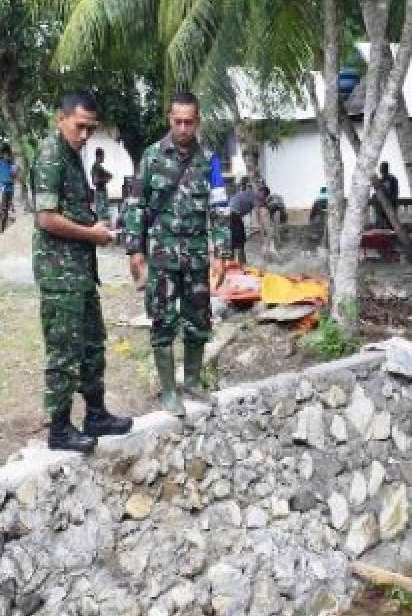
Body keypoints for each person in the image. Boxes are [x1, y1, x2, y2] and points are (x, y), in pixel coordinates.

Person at [32, 91, 133, 452]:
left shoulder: (74, 157)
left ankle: (96, 414)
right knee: (64, 351)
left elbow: (70, 212)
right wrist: (90, 233)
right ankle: (59, 428)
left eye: (91, 129)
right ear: (61, 119)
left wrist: (95, 224)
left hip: (80, 273)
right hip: (60, 276)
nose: (86, 135)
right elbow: (46, 218)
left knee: (92, 345)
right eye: (80, 127)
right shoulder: (50, 156)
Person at [127, 92, 229, 417]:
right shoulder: (151, 157)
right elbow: (136, 205)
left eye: (189, 121)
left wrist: (221, 252)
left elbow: (220, 208)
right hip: (162, 259)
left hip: (197, 257)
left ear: (198, 122)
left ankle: (194, 381)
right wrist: (135, 250)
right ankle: (169, 391)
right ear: (169, 119)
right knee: (163, 322)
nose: (183, 127)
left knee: (198, 320)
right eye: (177, 121)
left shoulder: (210, 160)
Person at [227, 182, 258, 265]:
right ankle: (242, 264)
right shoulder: (253, 196)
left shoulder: (244, 194)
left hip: (229, 215)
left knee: (232, 240)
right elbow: (259, 212)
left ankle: (232, 262)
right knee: (240, 240)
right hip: (234, 215)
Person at [0, 146, 17, 234]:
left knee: (7, 209)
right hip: (2, 187)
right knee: (1, 208)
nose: (7, 156)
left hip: (10, 188)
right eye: (5, 154)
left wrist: (14, 172)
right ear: (3, 154)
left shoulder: (12, 164)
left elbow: (14, 176)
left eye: (8, 154)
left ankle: (3, 229)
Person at [90, 147, 113, 223]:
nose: (104, 157)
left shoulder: (99, 167)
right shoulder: (96, 167)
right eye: (103, 155)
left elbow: (109, 174)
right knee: (102, 215)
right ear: (99, 156)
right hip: (100, 193)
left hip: (101, 192)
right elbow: (95, 181)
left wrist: (108, 176)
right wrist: (105, 179)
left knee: (103, 213)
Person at [374, 161, 400, 229]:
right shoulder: (380, 180)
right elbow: (377, 192)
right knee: (381, 224)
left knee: (391, 224)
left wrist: (389, 201)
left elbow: (395, 193)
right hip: (381, 207)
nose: (381, 170)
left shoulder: (393, 179)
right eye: (381, 169)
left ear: (387, 169)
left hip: (390, 206)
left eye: (383, 168)